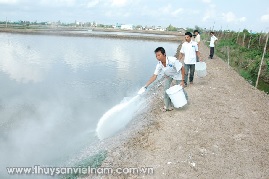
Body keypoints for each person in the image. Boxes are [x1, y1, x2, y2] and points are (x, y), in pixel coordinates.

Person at [139, 47, 188, 112]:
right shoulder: (159, 64)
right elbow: (154, 76)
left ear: (164, 54)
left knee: (180, 89)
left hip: (178, 74)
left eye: (159, 55)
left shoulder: (173, 60)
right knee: (166, 91)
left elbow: (182, 68)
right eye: (156, 56)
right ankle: (168, 106)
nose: (157, 57)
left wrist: (182, 81)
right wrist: (146, 86)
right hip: (169, 75)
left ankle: (186, 99)